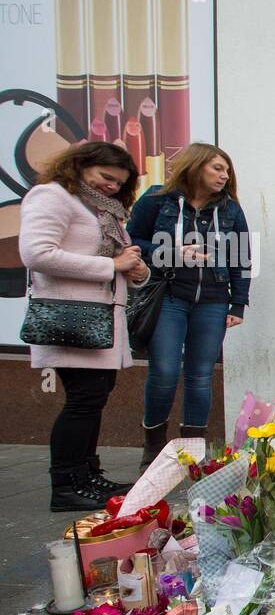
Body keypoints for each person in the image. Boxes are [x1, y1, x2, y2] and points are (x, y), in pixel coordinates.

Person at [19, 142, 150, 511]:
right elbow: (36, 254)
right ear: (80, 165)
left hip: (99, 319)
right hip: (70, 319)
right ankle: (66, 484)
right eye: (105, 177)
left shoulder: (100, 209)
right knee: (83, 401)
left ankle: (87, 475)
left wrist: (136, 270)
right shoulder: (52, 196)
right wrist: (113, 266)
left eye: (119, 182)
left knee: (93, 398)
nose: (112, 186)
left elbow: (117, 261)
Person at [128, 143, 252, 468]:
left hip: (213, 300)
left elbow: (242, 257)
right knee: (166, 371)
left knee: (200, 375)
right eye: (217, 168)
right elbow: (131, 241)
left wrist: (238, 303)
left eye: (227, 170)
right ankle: (153, 446)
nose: (224, 175)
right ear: (195, 166)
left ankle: (191, 452)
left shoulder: (230, 209)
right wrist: (169, 250)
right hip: (168, 295)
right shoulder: (158, 200)